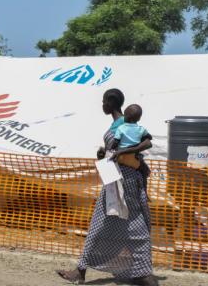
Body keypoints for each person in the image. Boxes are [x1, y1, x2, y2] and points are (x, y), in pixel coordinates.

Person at [56, 89, 158, 286]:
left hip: (121, 180)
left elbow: (125, 152)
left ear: (111, 103)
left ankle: (82, 271)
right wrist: (105, 153)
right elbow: (117, 152)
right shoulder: (123, 125)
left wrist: (118, 152)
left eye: (104, 102)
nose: (102, 105)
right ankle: (141, 273)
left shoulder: (120, 125)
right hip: (125, 178)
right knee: (131, 224)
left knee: (105, 223)